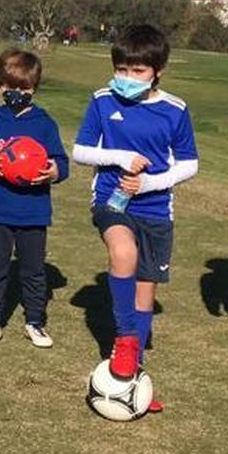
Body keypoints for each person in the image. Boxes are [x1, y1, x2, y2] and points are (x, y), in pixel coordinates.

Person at [71, 24, 199, 407]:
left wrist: (150, 184)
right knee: (122, 252)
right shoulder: (102, 101)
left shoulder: (175, 110)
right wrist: (119, 158)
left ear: (158, 70)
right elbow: (80, 151)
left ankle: (131, 375)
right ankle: (125, 338)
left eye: (138, 71)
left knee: (145, 294)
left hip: (156, 209)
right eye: (122, 69)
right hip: (111, 204)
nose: (127, 78)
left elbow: (190, 164)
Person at [0, 49, 69, 349]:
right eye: (10, 88)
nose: (17, 94)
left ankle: (35, 322)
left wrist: (54, 172)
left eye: (24, 88)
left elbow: (62, 161)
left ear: (34, 88)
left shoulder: (45, 124)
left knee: (33, 271)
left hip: (34, 212)